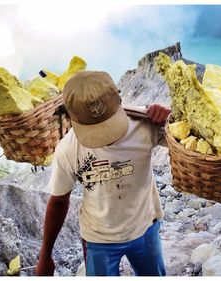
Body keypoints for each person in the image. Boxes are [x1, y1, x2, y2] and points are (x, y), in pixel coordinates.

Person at [35, 70, 171, 276]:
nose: (107, 139)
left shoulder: (145, 124)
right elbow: (59, 201)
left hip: (145, 227)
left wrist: (171, 118)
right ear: (73, 120)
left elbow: (190, 142)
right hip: (99, 239)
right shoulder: (68, 149)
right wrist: (45, 256)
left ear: (120, 100)